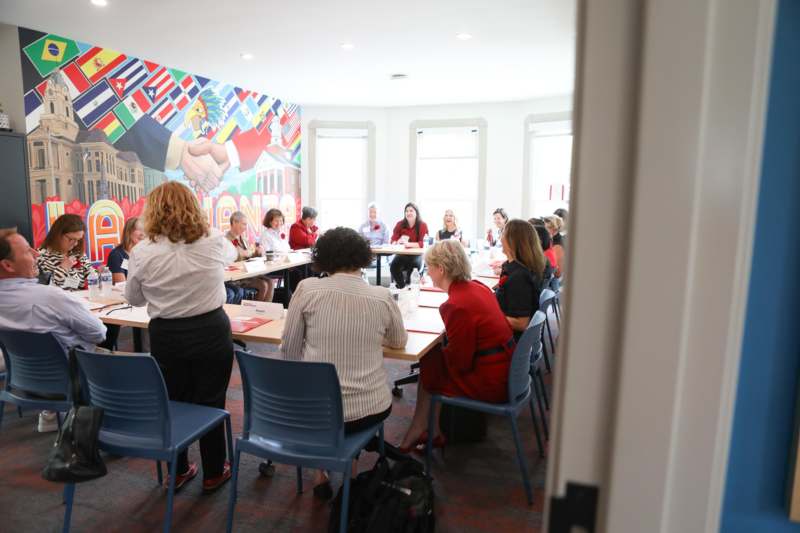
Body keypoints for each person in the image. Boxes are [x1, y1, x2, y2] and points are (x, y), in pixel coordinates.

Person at [282, 226, 407, 498]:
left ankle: (320, 473)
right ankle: (350, 473)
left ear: (322, 258)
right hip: (370, 407)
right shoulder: (381, 297)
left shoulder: (306, 289)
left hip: (315, 411)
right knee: (350, 409)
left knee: (323, 402)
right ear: (362, 258)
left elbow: (289, 353)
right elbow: (399, 341)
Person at [125, 182, 233, 493]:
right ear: (193, 205)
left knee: (173, 400)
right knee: (211, 400)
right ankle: (214, 471)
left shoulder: (143, 251)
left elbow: (134, 299)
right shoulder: (212, 239)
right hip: (211, 330)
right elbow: (233, 252)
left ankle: (180, 469)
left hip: (167, 335)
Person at [399, 240, 514, 452]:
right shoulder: (478, 288)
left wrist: (435, 354)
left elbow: (460, 363)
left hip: (491, 382)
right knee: (432, 359)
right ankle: (428, 429)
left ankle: (421, 427)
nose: (428, 273)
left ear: (441, 269)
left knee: (429, 361)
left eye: (429, 268)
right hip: (507, 370)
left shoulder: (455, 305)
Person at [0, 228, 107, 432]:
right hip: (73, 379)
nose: (36, 253)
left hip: (22, 381)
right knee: (142, 365)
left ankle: (51, 415)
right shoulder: (50, 298)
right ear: (7, 265)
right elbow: (99, 333)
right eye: (27, 251)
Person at [496, 220, 549, 340]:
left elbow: (521, 323)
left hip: (509, 341)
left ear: (512, 241)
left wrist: (489, 316)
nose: (500, 237)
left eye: (503, 233)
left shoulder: (519, 277)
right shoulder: (517, 268)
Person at [225, 211, 273, 302]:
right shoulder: (226, 239)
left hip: (247, 273)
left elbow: (248, 256)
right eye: (243, 224)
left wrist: (257, 253)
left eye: (246, 225)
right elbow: (230, 258)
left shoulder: (243, 239)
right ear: (234, 222)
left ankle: (264, 313)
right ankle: (255, 312)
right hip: (236, 277)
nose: (245, 228)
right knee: (263, 285)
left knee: (270, 282)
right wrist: (242, 253)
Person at [37, 214, 93, 290]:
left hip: (82, 299)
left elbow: (92, 277)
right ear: (58, 235)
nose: (75, 243)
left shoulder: (77, 253)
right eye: (71, 239)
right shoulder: (41, 256)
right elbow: (46, 290)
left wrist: (100, 274)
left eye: (78, 240)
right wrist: (63, 269)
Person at [390, 202, 429, 288]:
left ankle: (409, 287)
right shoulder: (400, 224)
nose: (408, 213)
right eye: (406, 211)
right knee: (393, 266)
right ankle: (402, 287)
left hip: (416, 255)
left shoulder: (422, 225)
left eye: (411, 211)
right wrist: (397, 242)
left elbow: (423, 243)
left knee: (414, 267)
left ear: (416, 213)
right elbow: (393, 240)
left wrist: (408, 244)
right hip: (402, 254)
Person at [107, 217, 145, 284]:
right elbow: (121, 286)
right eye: (139, 229)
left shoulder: (143, 254)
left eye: (144, 230)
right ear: (129, 232)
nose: (143, 234)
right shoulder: (116, 255)